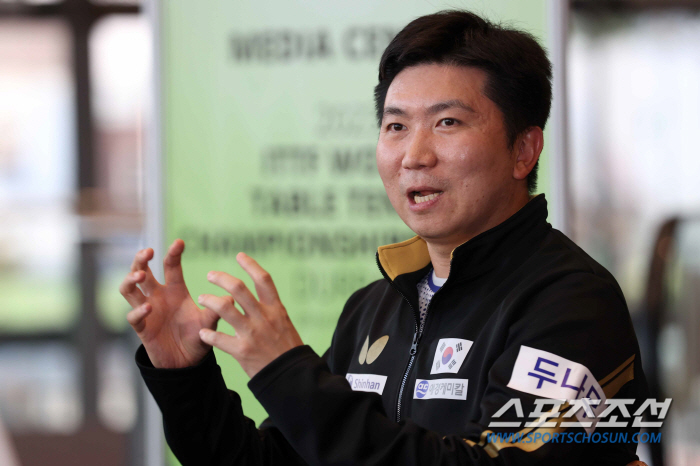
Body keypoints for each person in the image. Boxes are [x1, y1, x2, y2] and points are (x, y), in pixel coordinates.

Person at [120, 10, 648, 466]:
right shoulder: (374, 307)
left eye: (447, 122)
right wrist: (185, 375)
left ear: (524, 150)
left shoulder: (573, 302)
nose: (414, 155)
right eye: (396, 127)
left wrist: (288, 373)